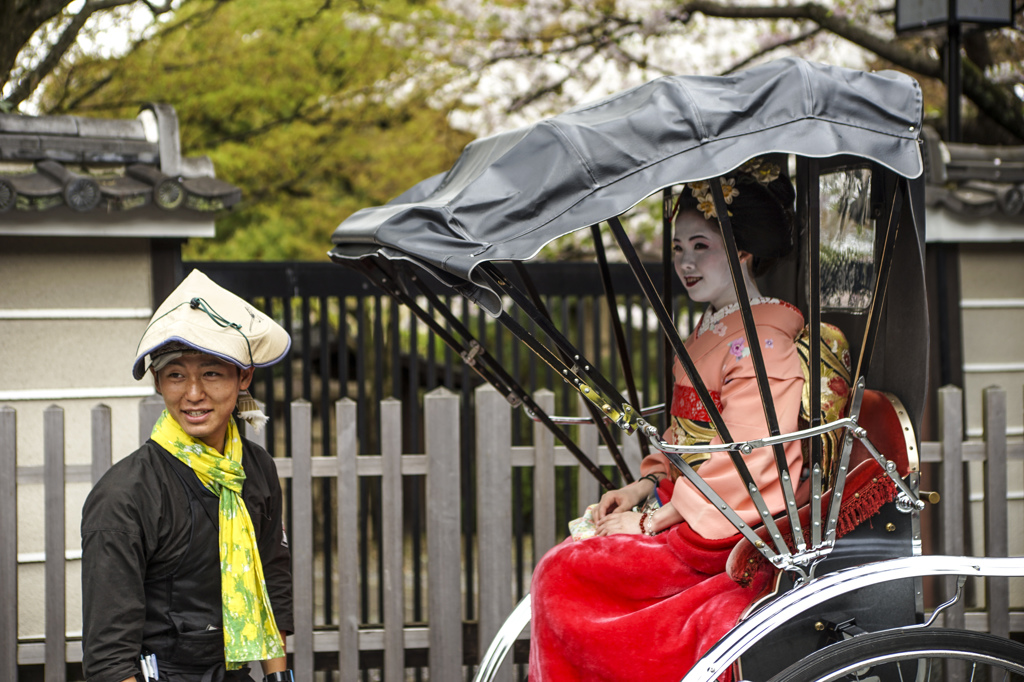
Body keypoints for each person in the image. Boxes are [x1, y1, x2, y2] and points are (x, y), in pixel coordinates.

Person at [528, 159, 810, 682]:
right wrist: (645, 485)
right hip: (693, 504)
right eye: (679, 248)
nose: (686, 262)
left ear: (743, 251)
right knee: (568, 559)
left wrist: (653, 520)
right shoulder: (712, 327)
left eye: (702, 246)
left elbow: (753, 456)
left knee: (561, 572)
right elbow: (684, 437)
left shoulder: (764, 340)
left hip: (728, 528)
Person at [81, 269, 295, 682]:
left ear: (244, 377)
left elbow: (272, 576)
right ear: (159, 382)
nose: (193, 393)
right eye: (176, 374)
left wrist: (278, 676)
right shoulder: (125, 495)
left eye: (212, 373)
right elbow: (109, 656)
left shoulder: (255, 468)